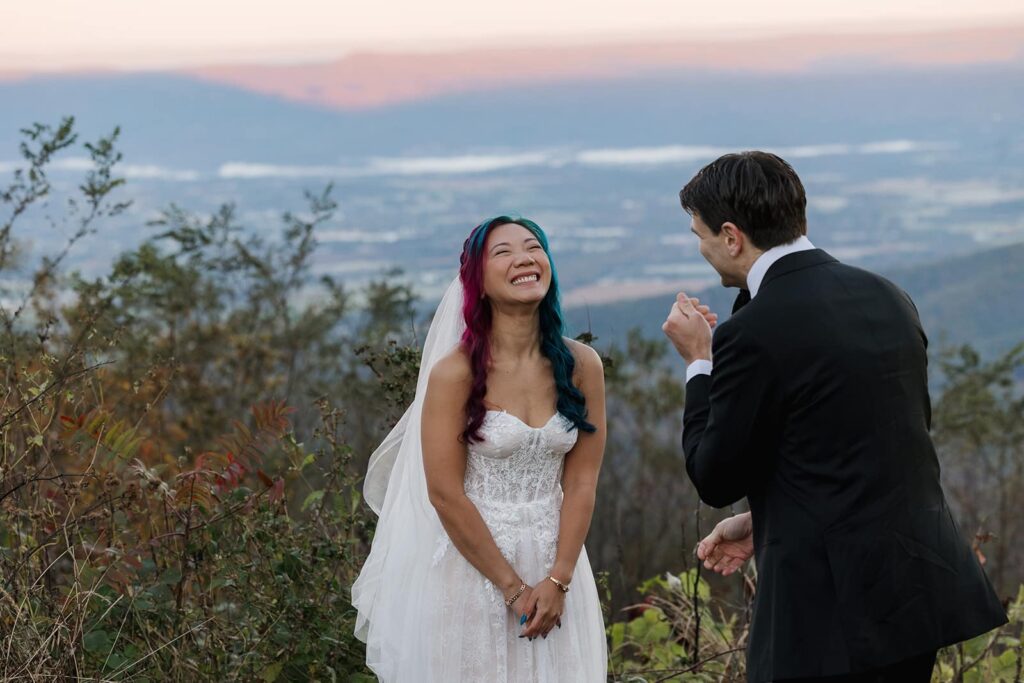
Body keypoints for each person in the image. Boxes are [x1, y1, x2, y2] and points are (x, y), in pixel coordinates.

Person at [661, 152, 1007, 683]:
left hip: (827, 614)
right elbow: (868, 445)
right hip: (914, 594)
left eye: (700, 235)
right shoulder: (889, 296)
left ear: (732, 236)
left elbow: (715, 476)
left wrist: (699, 362)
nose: (702, 248)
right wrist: (767, 518)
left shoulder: (752, 330)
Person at [352, 216, 608, 682]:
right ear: (479, 281)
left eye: (534, 247)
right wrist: (512, 589)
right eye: (503, 252)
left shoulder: (583, 366)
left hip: (560, 569)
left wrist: (558, 579)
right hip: (474, 574)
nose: (524, 259)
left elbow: (582, 479)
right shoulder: (455, 374)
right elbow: (445, 493)